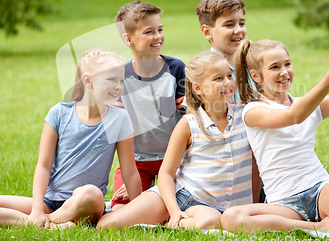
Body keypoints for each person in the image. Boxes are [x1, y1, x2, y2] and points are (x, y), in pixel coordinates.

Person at [0, 49, 142, 228]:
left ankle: (44, 223)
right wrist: (36, 209)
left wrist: (139, 210)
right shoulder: (59, 113)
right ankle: (52, 225)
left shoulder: (120, 119)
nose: (119, 86)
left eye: (121, 80)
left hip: (87, 205)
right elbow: (43, 166)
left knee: (91, 193)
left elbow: (129, 172)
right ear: (89, 81)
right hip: (50, 203)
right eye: (112, 79)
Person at [221, 36, 329, 232]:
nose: (284, 72)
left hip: (319, 190)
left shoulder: (310, 106)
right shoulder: (252, 111)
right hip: (283, 203)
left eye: (287, 64)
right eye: (274, 67)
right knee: (231, 218)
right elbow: (294, 116)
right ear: (256, 76)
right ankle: (317, 226)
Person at [97, 52, 256, 230]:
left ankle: (165, 224)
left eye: (228, 76)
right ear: (198, 88)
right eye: (218, 78)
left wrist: (254, 204)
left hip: (212, 209)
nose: (227, 82)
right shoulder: (189, 123)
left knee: (209, 222)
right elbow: (166, 174)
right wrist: (174, 211)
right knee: (107, 226)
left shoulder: (247, 116)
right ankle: (87, 209)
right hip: (180, 196)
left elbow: (255, 165)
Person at [110, 1, 186, 210]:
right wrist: (129, 175)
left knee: (173, 206)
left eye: (160, 30)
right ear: (129, 39)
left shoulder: (176, 69)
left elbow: (189, 117)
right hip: (137, 164)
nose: (158, 36)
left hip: (175, 161)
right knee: (119, 210)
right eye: (149, 32)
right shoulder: (120, 77)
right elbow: (117, 127)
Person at [196, 0, 263, 202]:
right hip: (220, 154)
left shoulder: (254, 64)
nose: (238, 30)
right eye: (229, 25)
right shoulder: (203, 71)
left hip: (258, 148)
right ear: (207, 32)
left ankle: (255, 203)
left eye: (241, 23)